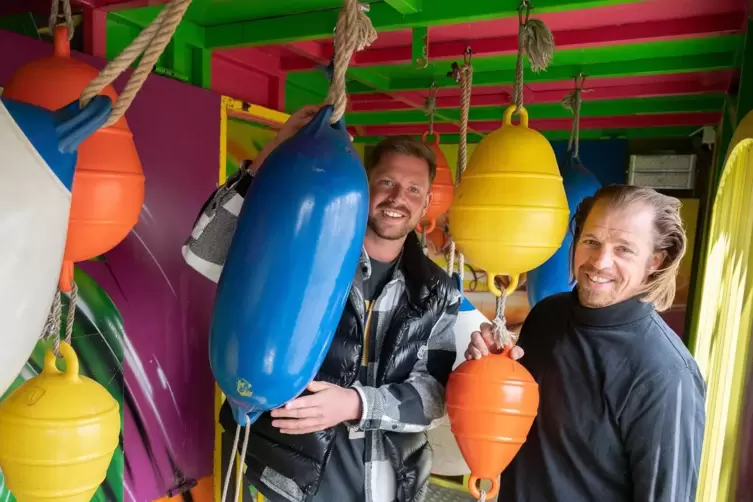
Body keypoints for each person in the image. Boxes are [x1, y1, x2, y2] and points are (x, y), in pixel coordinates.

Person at [219, 105, 461, 502]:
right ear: (364, 185)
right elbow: (204, 251)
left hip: (389, 485)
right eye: (386, 182)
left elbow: (433, 396)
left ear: (427, 200)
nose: (398, 198)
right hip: (289, 480)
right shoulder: (305, 252)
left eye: (413, 189)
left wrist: (356, 404)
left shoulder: (439, 291)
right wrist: (270, 156)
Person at [465, 185, 706, 502]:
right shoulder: (546, 317)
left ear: (655, 262)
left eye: (624, 249)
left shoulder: (666, 374)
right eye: (592, 241)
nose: (600, 262)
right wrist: (494, 367)